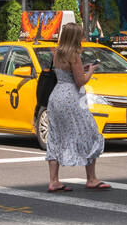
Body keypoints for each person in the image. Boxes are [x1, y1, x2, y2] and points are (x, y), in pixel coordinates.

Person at [44, 22, 110, 192]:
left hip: (56, 96)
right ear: (75, 37)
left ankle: (54, 181)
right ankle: (91, 178)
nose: (83, 38)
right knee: (90, 132)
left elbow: (66, 74)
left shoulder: (57, 53)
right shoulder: (74, 55)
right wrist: (91, 71)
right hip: (72, 98)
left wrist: (82, 69)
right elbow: (80, 81)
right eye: (80, 35)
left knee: (56, 136)